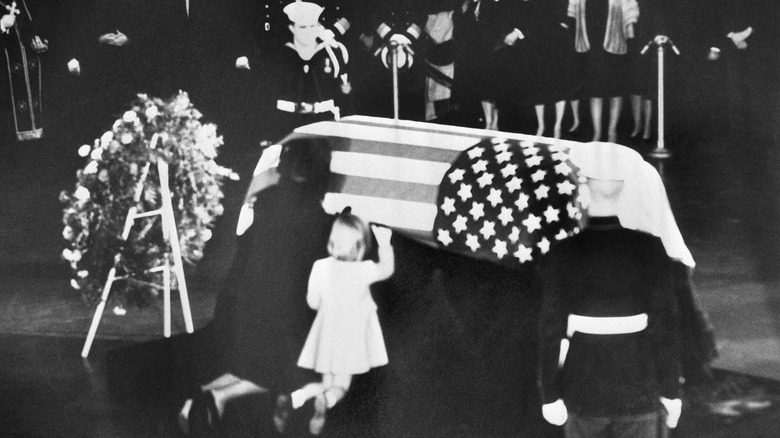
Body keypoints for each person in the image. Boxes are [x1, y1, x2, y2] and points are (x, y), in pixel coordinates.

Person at [177, 137, 334, 435]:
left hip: (247, 307)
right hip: (281, 315)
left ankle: (200, 396)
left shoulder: (267, 201)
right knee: (291, 375)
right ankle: (220, 397)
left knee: (247, 368)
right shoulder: (314, 217)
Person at [538, 143, 682, 437]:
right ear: (624, 190)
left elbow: (551, 328)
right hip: (639, 384)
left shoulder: (564, 251)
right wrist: (670, 390)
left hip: (583, 386)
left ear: (584, 193)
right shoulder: (650, 247)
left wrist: (550, 393)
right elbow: (666, 325)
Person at [273, 214, 395, 436]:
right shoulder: (364, 269)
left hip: (326, 337)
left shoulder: (320, 267)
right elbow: (386, 270)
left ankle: (294, 398)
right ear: (359, 248)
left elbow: (312, 302)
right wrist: (385, 245)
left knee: (324, 380)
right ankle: (326, 403)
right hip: (350, 339)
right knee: (341, 386)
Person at [236, 1, 353, 140]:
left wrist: (332, 31)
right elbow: (261, 23)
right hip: (285, 53)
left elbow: (352, 13)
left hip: (324, 55)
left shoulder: (332, 51)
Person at [568, 0, 639, 142]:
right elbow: (573, 12)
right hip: (591, 45)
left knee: (615, 91)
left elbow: (630, 12)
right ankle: (597, 133)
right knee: (595, 91)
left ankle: (612, 131)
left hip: (615, 43)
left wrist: (630, 34)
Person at [1, 0, 48, 142]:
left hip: (36, 75)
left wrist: (43, 44)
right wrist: (1, 25)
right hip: (5, 83)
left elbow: (43, 26)